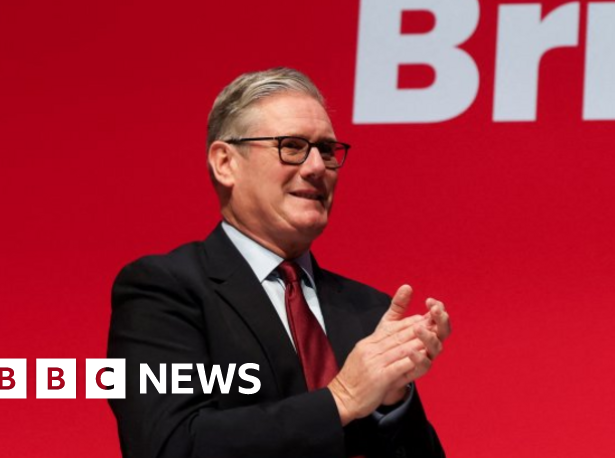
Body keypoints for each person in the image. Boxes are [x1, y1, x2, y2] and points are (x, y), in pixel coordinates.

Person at [108, 67, 450, 458]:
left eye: (326, 150)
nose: (317, 167)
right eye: (292, 146)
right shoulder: (164, 290)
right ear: (225, 163)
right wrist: (341, 398)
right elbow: (169, 446)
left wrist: (392, 401)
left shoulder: (369, 310)